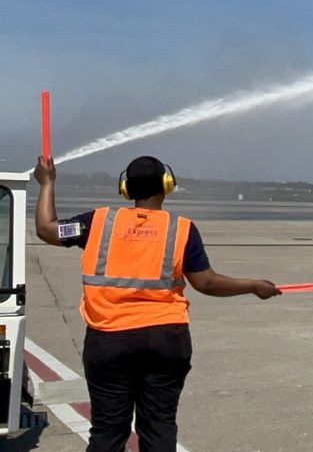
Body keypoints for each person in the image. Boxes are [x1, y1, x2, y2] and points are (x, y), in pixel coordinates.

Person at [33, 154, 281, 452]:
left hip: (109, 341)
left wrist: (47, 183)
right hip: (166, 341)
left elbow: (47, 229)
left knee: (108, 432)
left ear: (125, 189)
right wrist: (254, 286)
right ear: (167, 184)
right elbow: (206, 283)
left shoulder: (96, 222)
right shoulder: (181, 229)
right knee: (159, 427)